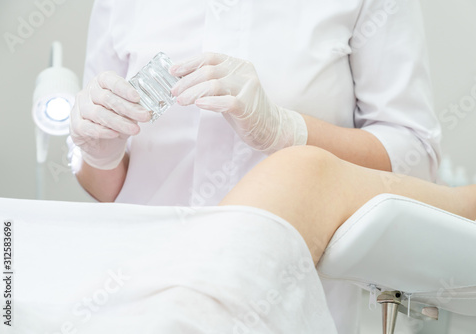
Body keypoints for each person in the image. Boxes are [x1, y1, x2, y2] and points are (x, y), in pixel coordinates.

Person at [69, 0, 443, 332]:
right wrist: (99, 153)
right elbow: (109, 188)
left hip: (287, 308)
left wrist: (287, 130)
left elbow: (415, 160)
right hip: (141, 301)